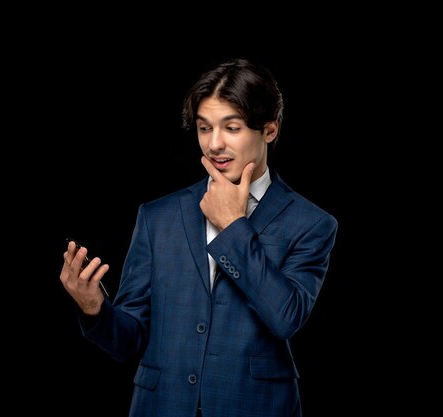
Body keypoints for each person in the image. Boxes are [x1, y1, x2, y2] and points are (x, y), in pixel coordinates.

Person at [60, 57, 338, 417]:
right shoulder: (158, 216)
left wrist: (233, 226)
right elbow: (129, 343)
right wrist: (93, 308)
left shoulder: (312, 223)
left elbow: (286, 317)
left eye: (232, 128)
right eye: (204, 128)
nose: (214, 144)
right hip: (162, 407)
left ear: (270, 130)